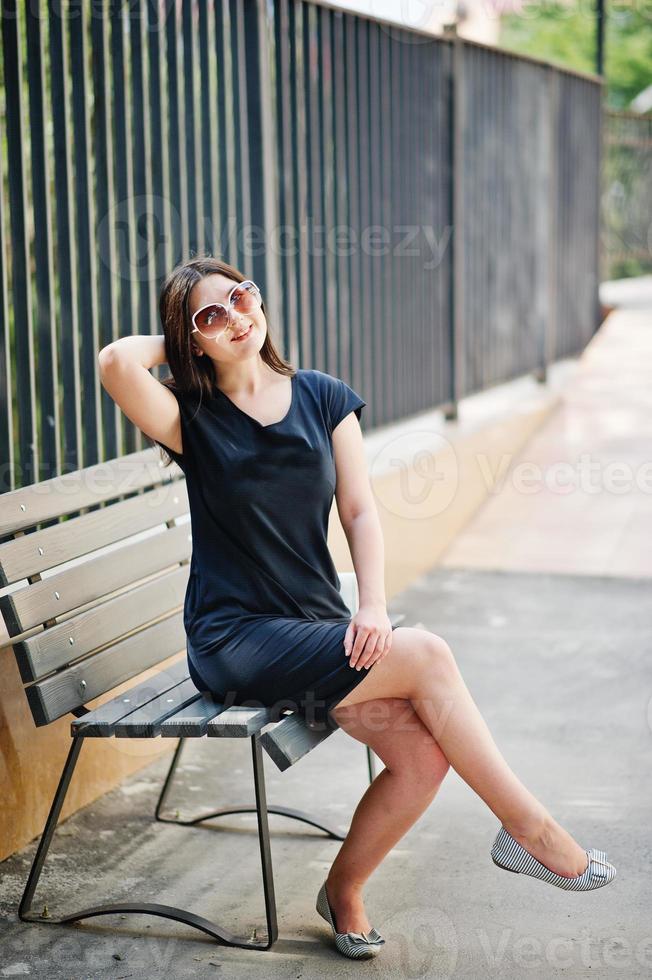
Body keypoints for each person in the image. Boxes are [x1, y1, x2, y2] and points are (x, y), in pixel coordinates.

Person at [98, 255, 616, 961]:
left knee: (422, 759)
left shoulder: (322, 396)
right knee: (428, 652)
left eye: (242, 297)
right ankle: (532, 830)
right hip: (236, 639)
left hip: (316, 629)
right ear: (192, 343)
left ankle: (343, 892)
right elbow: (114, 364)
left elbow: (360, 511)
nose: (237, 317)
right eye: (211, 318)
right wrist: (181, 328)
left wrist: (371, 606)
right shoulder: (193, 419)